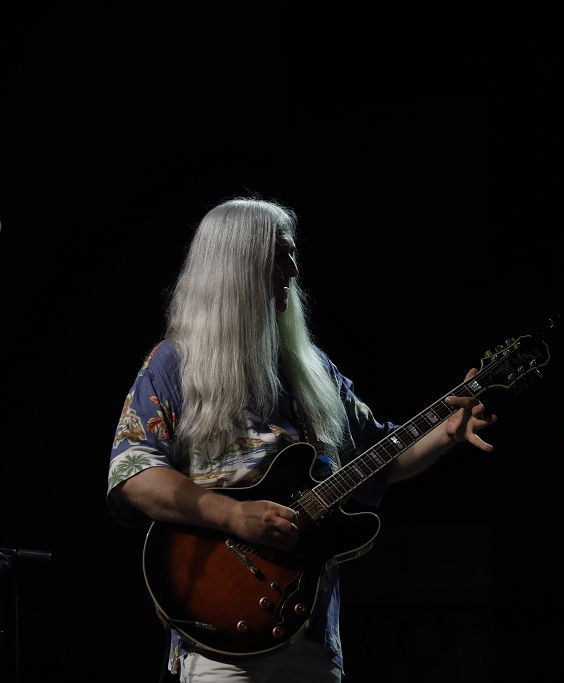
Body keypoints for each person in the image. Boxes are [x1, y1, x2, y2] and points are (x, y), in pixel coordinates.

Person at [107, 198, 496, 682]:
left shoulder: (314, 371)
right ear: (239, 265)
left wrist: (445, 433)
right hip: (219, 641)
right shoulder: (175, 364)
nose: (293, 268)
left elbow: (380, 456)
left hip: (311, 633)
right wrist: (234, 515)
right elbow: (133, 475)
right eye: (280, 255)